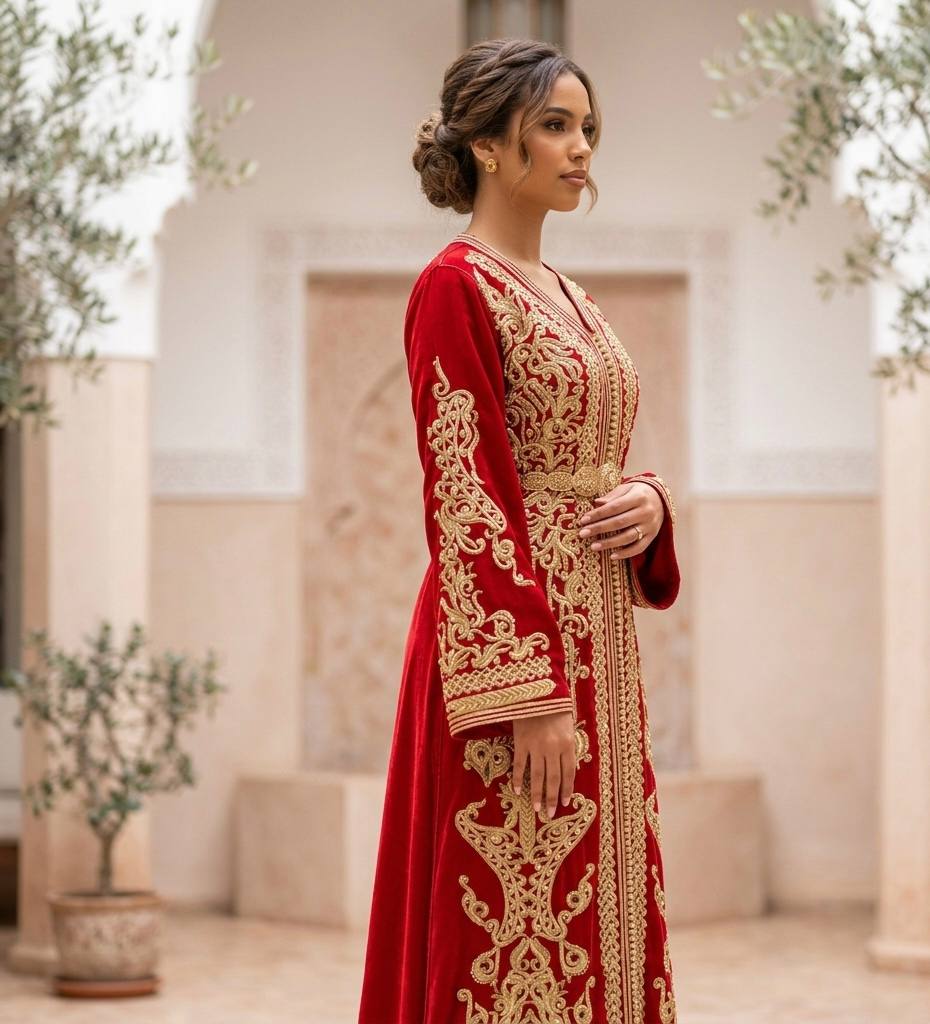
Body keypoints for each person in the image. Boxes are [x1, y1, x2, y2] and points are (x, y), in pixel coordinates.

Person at [358, 37, 681, 1024]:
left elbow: (591, 461)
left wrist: (654, 503)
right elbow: (468, 496)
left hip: (600, 647)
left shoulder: (574, 299)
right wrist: (525, 692)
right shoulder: (454, 286)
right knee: (516, 912)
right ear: (491, 146)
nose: (581, 148)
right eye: (556, 126)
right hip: (508, 657)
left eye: (587, 127)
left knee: (603, 897)